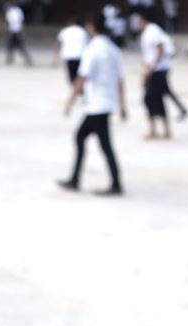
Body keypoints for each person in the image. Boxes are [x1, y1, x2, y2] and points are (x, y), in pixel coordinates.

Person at [59, 13, 127, 197]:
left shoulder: (93, 49)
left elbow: (81, 78)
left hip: (96, 104)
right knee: (87, 139)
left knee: (96, 142)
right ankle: (77, 179)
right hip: (107, 102)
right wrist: (122, 105)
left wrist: (69, 102)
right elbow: (120, 80)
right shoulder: (113, 49)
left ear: (92, 27)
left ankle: (111, 183)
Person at [137, 9, 172, 139]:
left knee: (150, 98)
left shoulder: (153, 30)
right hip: (152, 69)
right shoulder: (148, 31)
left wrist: (152, 67)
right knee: (154, 98)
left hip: (157, 70)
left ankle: (157, 129)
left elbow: (160, 49)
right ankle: (159, 129)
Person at [55, 17, 88, 85]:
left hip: (68, 55)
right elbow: (87, 44)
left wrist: (56, 55)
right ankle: (79, 86)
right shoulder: (83, 31)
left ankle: (74, 85)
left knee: (72, 74)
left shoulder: (65, 30)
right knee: (80, 73)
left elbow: (59, 43)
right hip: (80, 55)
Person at [5, 0, 32, 66]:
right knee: (9, 46)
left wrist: (22, 32)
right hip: (11, 31)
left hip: (18, 30)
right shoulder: (8, 12)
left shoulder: (18, 11)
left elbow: (21, 22)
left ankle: (28, 59)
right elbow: (8, 22)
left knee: (21, 46)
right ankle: (10, 59)